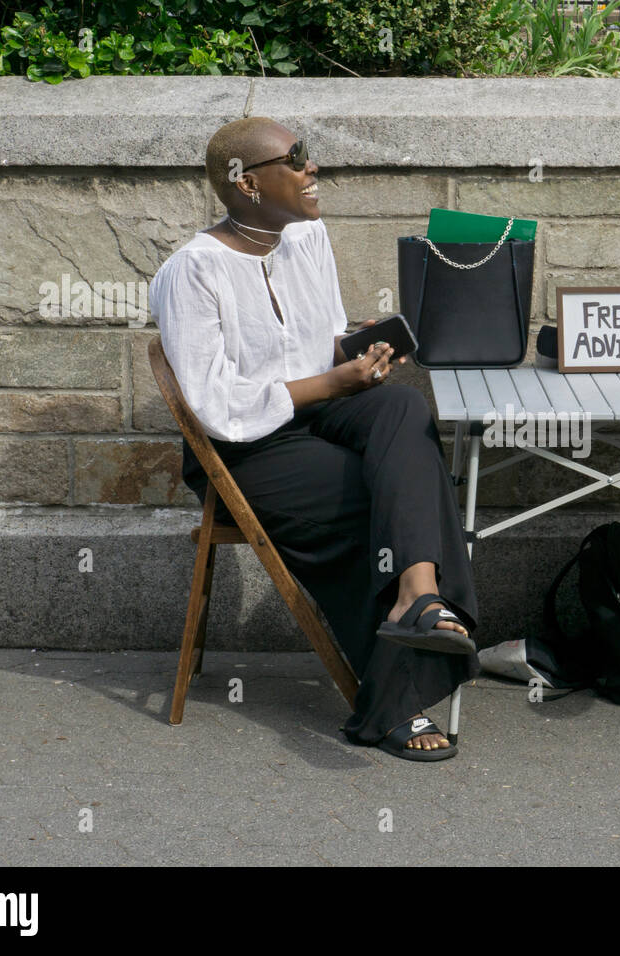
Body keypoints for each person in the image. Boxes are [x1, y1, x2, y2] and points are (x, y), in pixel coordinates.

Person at [149, 116, 480, 762]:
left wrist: (360, 354)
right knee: (378, 493)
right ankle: (391, 704)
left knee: (400, 412)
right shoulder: (191, 272)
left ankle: (417, 597)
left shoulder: (306, 239)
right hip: (245, 448)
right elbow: (218, 404)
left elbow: (321, 339)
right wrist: (333, 383)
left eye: (309, 157)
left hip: (318, 408)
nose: (311, 169)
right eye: (295, 159)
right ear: (245, 183)